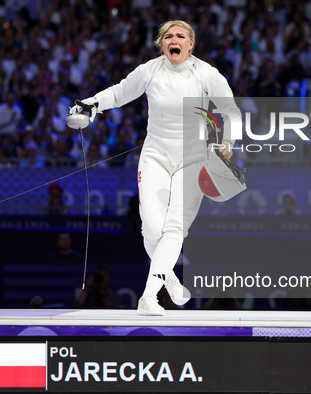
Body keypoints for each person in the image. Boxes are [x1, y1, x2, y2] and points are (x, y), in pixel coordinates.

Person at [69, 20, 239, 316]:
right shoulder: (150, 70)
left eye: (181, 36)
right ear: (162, 43)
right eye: (169, 36)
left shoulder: (206, 73)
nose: (174, 40)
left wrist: (228, 140)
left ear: (190, 44)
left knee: (175, 227)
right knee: (151, 227)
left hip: (194, 158)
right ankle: (169, 277)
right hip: (156, 154)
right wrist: (91, 104)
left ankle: (149, 296)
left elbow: (230, 110)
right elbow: (120, 93)